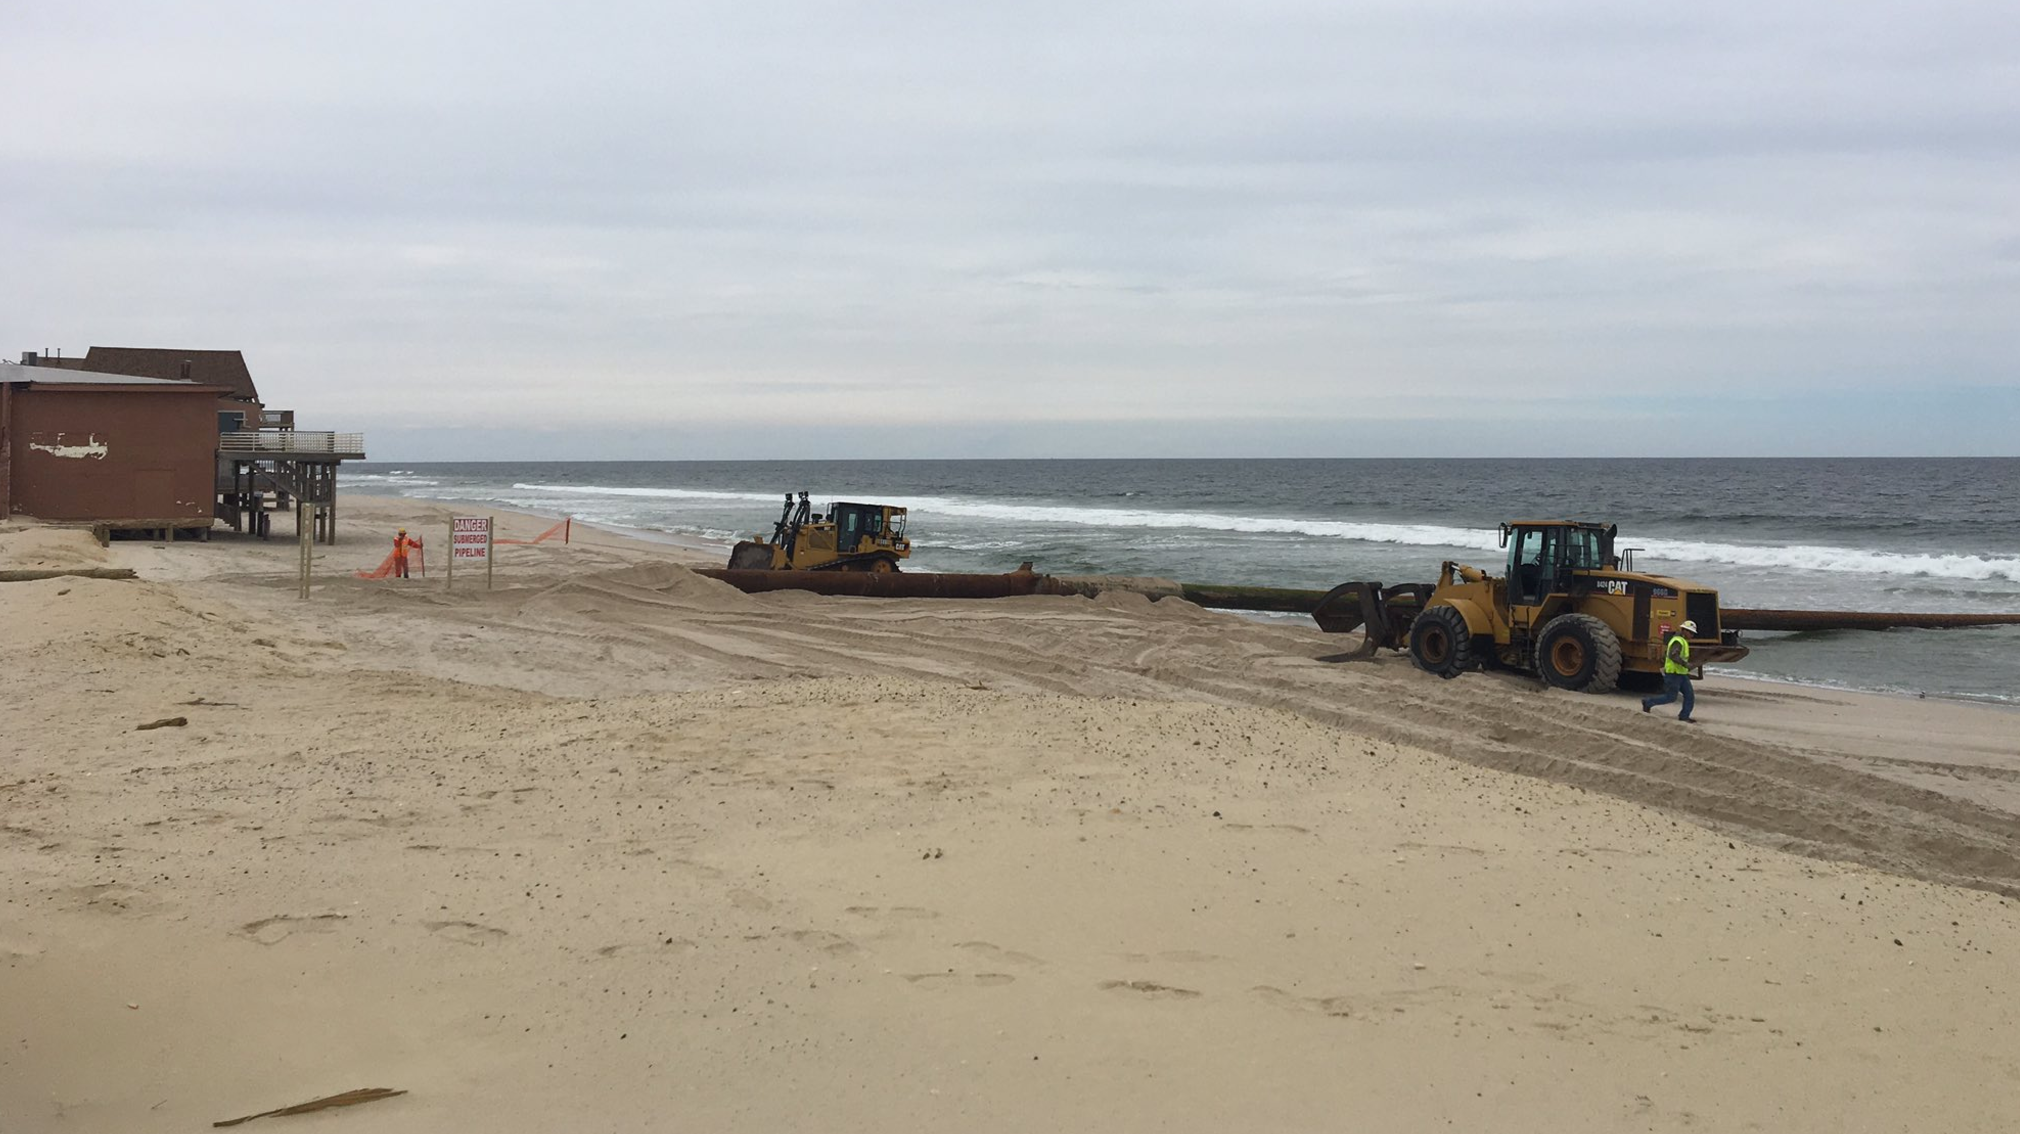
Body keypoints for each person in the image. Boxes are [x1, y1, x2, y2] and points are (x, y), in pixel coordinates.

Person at [1641, 619, 1697, 722]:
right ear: (1684, 630)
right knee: (1670, 697)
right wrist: (1686, 664)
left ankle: (1684, 716)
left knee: (1690, 696)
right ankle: (1648, 702)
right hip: (1673, 674)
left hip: (1681, 674)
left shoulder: (1681, 641)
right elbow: (1673, 655)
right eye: (1691, 633)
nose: (1692, 635)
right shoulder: (1678, 641)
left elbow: (1666, 655)